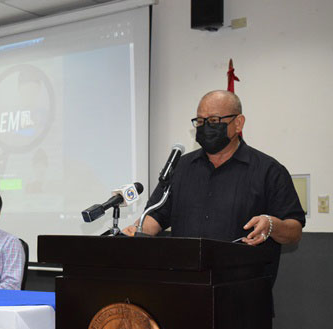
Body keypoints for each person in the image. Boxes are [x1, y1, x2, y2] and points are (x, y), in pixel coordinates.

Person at [123, 90, 305, 283]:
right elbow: (155, 216)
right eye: (200, 121)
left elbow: (294, 231)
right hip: (183, 287)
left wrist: (271, 225)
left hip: (243, 291)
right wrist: (134, 232)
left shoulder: (269, 171)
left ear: (238, 123)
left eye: (213, 120)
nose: (205, 127)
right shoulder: (180, 168)